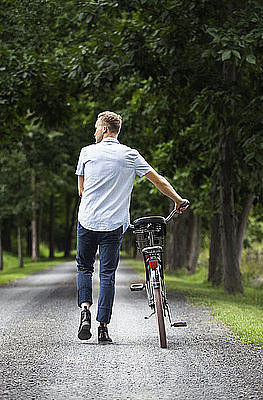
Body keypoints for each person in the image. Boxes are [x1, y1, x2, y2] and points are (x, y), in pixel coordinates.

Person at [75, 111, 189, 344]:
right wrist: (177, 200)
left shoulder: (86, 152)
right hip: (114, 224)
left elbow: (81, 190)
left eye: (97, 127)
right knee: (107, 274)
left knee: (84, 267)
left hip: (87, 220)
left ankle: (85, 310)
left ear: (105, 129)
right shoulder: (130, 155)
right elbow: (158, 180)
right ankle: (103, 328)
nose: (94, 131)